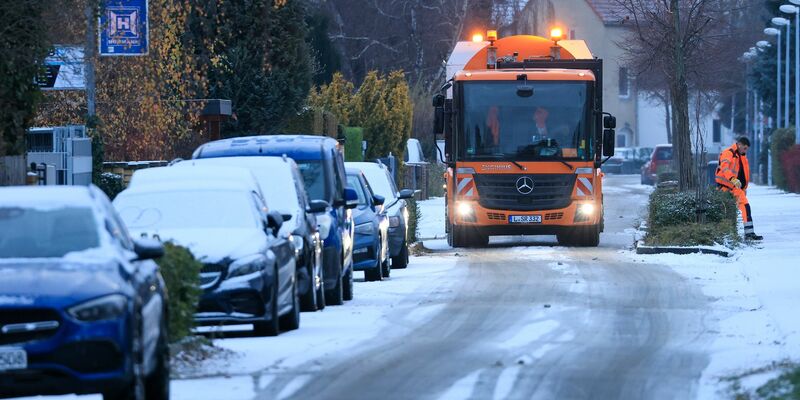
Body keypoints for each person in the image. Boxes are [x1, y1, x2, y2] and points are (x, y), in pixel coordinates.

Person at [716, 137, 763, 241]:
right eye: (745, 148)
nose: (745, 151)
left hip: (734, 187)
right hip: (726, 187)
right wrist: (732, 179)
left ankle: (747, 233)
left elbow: (743, 173)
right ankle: (746, 234)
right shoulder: (728, 153)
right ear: (740, 144)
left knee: (743, 207)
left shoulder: (741, 156)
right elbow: (725, 168)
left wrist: (744, 188)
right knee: (731, 209)